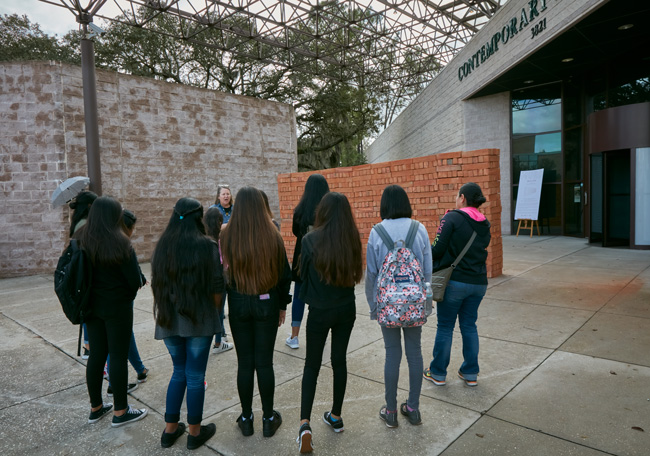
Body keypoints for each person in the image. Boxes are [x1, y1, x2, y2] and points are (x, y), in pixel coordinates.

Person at [152, 198, 224, 450]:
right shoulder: (207, 246)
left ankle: (170, 430)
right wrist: (213, 313)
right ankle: (194, 433)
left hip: (169, 320)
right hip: (198, 321)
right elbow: (218, 287)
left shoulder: (163, 245)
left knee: (178, 372)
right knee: (195, 376)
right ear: (198, 218)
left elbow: (157, 284)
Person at [220, 187, 291, 438]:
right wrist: (283, 304)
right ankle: (269, 418)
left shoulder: (227, 234)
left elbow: (223, 272)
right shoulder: (272, 234)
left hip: (238, 302)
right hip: (266, 302)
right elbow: (285, 274)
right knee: (264, 363)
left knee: (245, 364)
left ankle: (247, 417)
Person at [296, 192, 362, 453]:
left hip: (320, 310)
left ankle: (304, 424)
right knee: (339, 360)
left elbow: (305, 278)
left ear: (321, 211)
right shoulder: (352, 239)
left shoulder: (310, 240)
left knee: (311, 365)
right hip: (346, 307)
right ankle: (335, 416)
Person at [77, 196, 147, 427]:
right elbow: (133, 279)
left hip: (91, 307)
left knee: (96, 355)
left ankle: (95, 407)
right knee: (117, 355)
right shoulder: (120, 242)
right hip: (117, 307)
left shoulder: (81, 238)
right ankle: (120, 411)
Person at [365, 185, 432, 428]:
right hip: (415, 304)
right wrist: (425, 304)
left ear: (385, 205)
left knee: (392, 352)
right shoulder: (420, 229)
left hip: (388, 305)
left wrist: (375, 307)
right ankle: (413, 408)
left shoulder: (377, 232)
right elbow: (426, 272)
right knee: (415, 352)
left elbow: (371, 275)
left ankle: (391, 411)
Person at [423, 182, 491, 388]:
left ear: (462, 198)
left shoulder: (451, 217)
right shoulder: (485, 223)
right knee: (469, 325)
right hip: (478, 283)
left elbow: (436, 249)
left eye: (456, 196)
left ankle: (438, 373)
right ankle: (470, 373)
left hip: (454, 283)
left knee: (445, 326)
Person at [104, 209, 149, 395]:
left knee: (117, 338)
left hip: (103, 301)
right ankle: (116, 389)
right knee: (118, 347)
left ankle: (139, 369)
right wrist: (137, 281)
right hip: (119, 300)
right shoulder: (122, 245)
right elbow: (132, 277)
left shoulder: (100, 241)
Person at [286, 174, 330, 350]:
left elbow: (296, 231)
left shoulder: (300, 209)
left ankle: (294, 337)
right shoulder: (328, 210)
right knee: (321, 296)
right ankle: (321, 335)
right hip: (324, 259)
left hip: (302, 258)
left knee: (298, 295)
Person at [68, 190, 98, 360]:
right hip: (85, 273)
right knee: (89, 310)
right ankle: (88, 345)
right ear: (89, 206)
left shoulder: (78, 222)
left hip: (81, 272)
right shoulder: (85, 225)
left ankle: (88, 345)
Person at [203, 207, 234, 355]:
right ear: (219, 221)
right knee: (219, 311)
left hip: (206, 281)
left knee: (214, 312)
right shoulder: (220, 239)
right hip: (220, 280)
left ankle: (219, 338)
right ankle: (218, 341)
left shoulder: (203, 238)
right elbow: (224, 260)